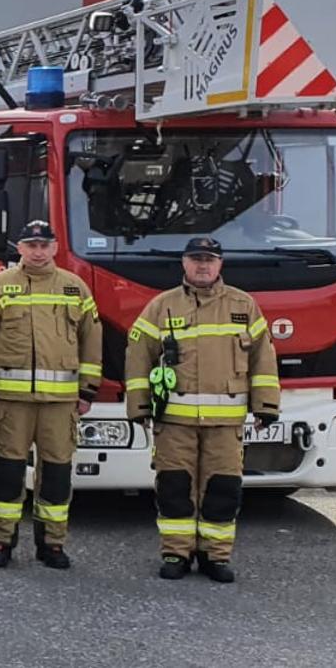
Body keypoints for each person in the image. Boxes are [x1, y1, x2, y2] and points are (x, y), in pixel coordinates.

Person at [125, 237, 279, 584]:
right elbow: (137, 356)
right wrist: (138, 406)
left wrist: (266, 405)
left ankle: (215, 556)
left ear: (220, 264)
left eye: (209, 260)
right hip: (174, 422)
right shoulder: (161, 307)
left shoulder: (244, 306)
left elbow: (263, 359)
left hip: (226, 424)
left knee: (223, 490)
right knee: (174, 488)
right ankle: (175, 553)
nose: (203, 266)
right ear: (184, 263)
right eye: (196, 259)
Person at [0, 220, 100, 570]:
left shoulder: (75, 289)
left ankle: (52, 544)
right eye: (31, 245)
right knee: (7, 473)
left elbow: (92, 342)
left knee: (56, 474)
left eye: (44, 245)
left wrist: (87, 391)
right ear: (20, 249)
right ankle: (0, 541)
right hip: (12, 402)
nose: (38, 252)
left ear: (55, 248)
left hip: (61, 404)